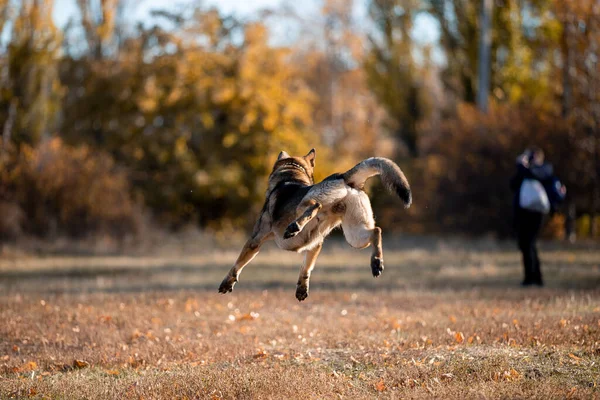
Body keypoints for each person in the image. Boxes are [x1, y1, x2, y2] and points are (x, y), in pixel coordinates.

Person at [510, 147, 565, 287]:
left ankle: (533, 278)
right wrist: (520, 168)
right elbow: (513, 184)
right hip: (522, 213)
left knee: (529, 243)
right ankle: (532, 277)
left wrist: (522, 165)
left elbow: (534, 174)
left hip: (536, 213)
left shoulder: (545, 168)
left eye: (532, 157)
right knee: (525, 244)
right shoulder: (523, 171)